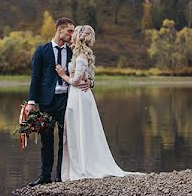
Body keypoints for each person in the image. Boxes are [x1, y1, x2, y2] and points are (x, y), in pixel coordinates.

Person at [55, 25, 140, 180]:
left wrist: (62, 75)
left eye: (74, 32)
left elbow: (74, 82)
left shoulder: (80, 57)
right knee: (79, 130)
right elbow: (85, 77)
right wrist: (89, 80)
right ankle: (80, 163)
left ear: (79, 37)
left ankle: (85, 165)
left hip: (79, 96)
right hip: (78, 96)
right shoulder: (77, 53)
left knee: (82, 130)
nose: (72, 34)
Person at [25, 18, 91, 187]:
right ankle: (45, 176)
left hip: (67, 101)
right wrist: (31, 102)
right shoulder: (41, 50)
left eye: (73, 31)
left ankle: (61, 176)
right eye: (69, 31)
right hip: (46, 102)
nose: (72, 34)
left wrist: (91, 82)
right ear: (59, 30)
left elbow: (86, 71)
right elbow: (35, 77)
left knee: (65, 139)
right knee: (46, 140)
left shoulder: (73, 51)